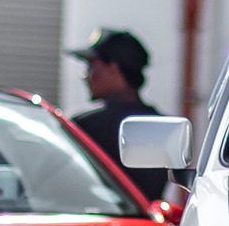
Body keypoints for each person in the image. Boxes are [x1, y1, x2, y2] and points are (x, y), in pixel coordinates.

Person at [68, 29, 165, 202]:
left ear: (113, 69)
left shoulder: (84, 127)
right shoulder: (164, 128)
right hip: (149, 219)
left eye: (91, 67)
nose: (85, 76)